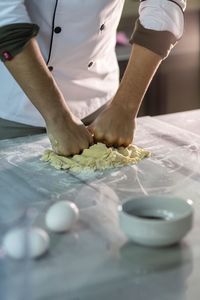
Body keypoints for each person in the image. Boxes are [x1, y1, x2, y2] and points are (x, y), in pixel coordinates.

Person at [0, 0, 186, 156]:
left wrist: (124, 107)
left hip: (101, 106)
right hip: (13, 105)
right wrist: (58, 117)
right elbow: (6, 21)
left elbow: (163, 6)